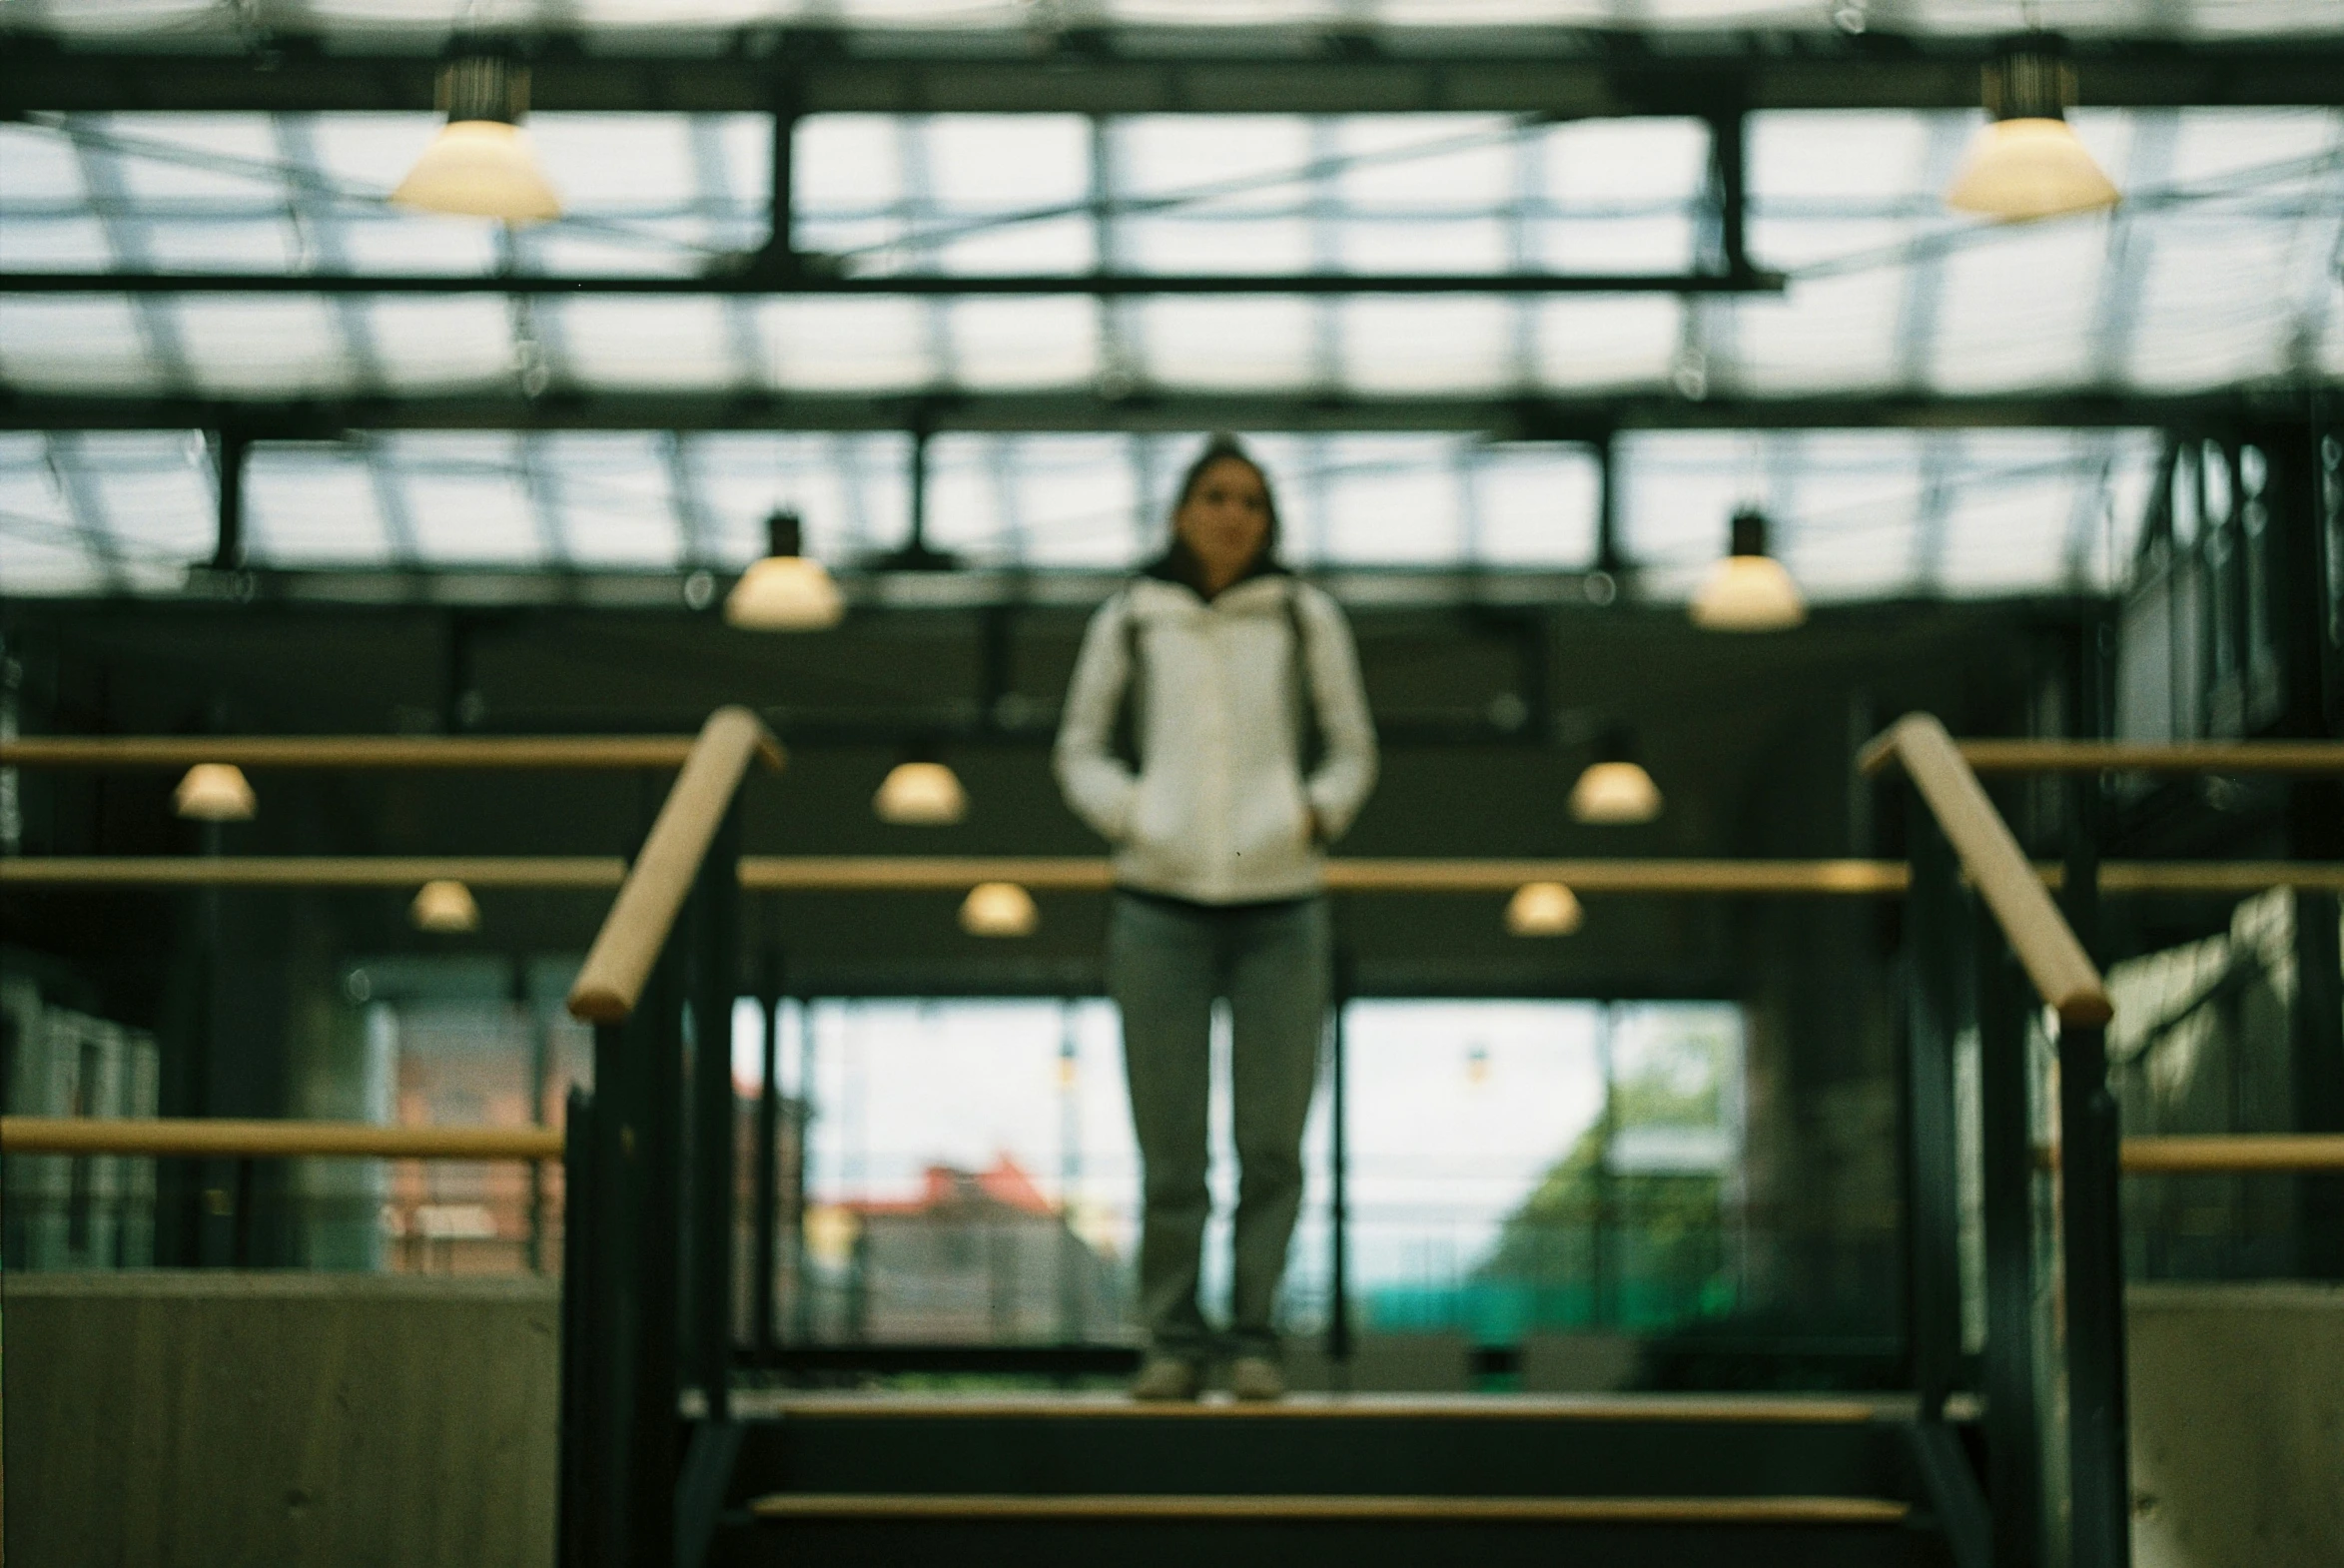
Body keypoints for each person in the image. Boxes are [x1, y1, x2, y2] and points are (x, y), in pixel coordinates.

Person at [1054, 434, 1378, 1401]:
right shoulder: (1130, 617)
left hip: (1282, 905)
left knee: (1273, 1140)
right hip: (1157, 906)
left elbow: (1353, 747)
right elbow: (1078, 747)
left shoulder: (1301, 614)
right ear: (1180, 512)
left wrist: (1313, 813)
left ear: (1268, 519)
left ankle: (1254, 1336)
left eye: (1250, 500)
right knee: (1171, 1145)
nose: (1232, 514)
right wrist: (1134, 814)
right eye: (1214, 496)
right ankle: (1171, 1338)